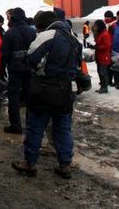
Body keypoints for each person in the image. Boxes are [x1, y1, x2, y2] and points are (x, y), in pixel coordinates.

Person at [11, 10, 79, 179]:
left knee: (35, 127)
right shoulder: (73, 39)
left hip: (43, 88)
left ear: (40, 25)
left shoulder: (46, 35)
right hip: (65, 90)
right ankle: (65, 164)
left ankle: (30, 163)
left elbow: (31, 58)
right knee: (63, 128)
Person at [1, 7, 36, 134]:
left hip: (15, 70)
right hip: (29, 69)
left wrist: (1, 69)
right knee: (30, 97)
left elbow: (4, 54)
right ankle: (31, 123)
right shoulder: (32, 31)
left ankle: (15, 125)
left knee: (14, 97)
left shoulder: (10, 33)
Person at [92, 19, 111, 93]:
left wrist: (97, 47)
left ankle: (105, 87)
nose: (95, 27)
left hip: (104, 56)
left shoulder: (105, 34)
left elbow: (107, 46)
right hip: (99, 55)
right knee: (99, 72)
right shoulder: (99, 33)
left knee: (103, 72)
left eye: (96, 26)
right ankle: (102, 86)